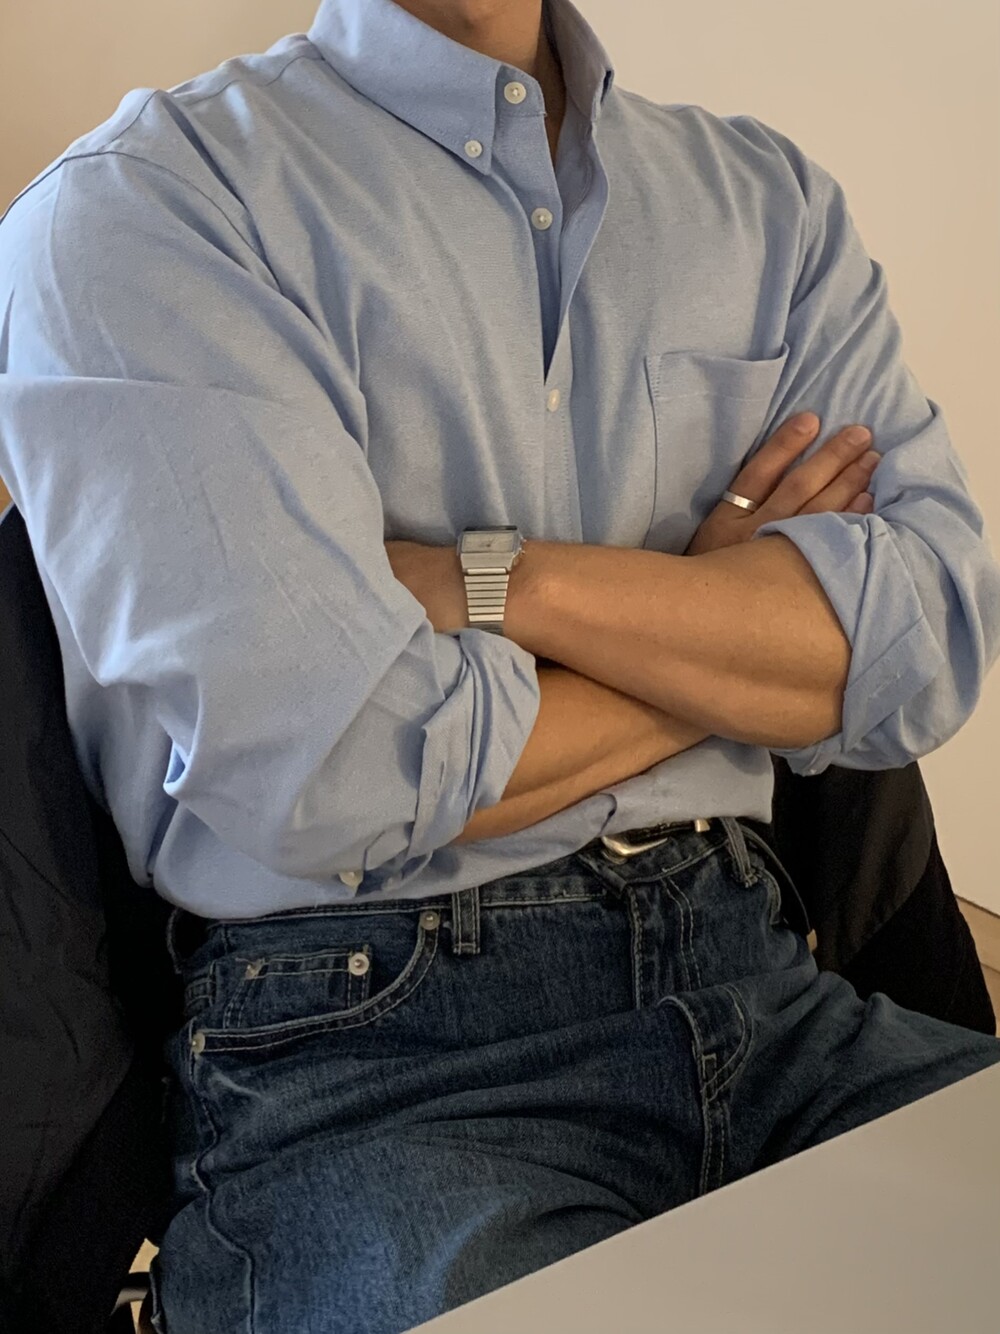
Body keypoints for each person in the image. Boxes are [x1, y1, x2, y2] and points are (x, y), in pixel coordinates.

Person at [0, 0, 998, 1328]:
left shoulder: (772, 207)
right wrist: (717, 620)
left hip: (762, 976)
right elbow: (338, 769)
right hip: (366, 1055)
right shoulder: (147, 208)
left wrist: (509, 583)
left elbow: (930, 635)